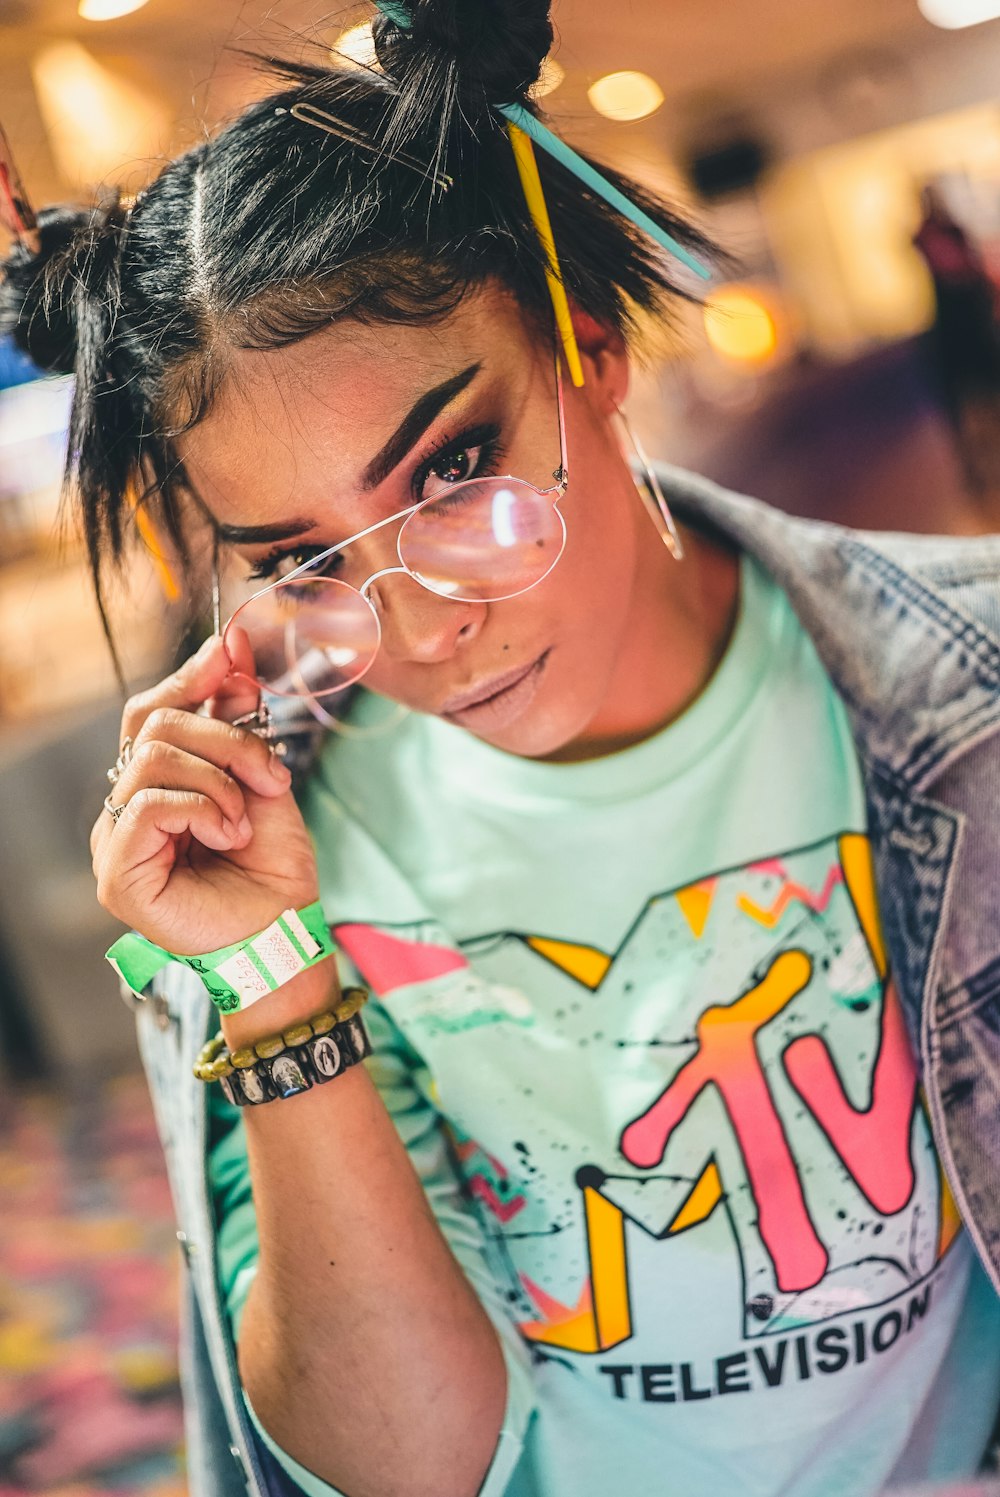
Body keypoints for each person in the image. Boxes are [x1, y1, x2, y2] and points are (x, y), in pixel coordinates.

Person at [4, 4, 1000, 1495]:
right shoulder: (274, 854)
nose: (412, 630)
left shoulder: (970, 705)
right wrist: (276, 995)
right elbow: (403, 1462)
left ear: (584, 344)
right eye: (302, 560)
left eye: (454, 471)